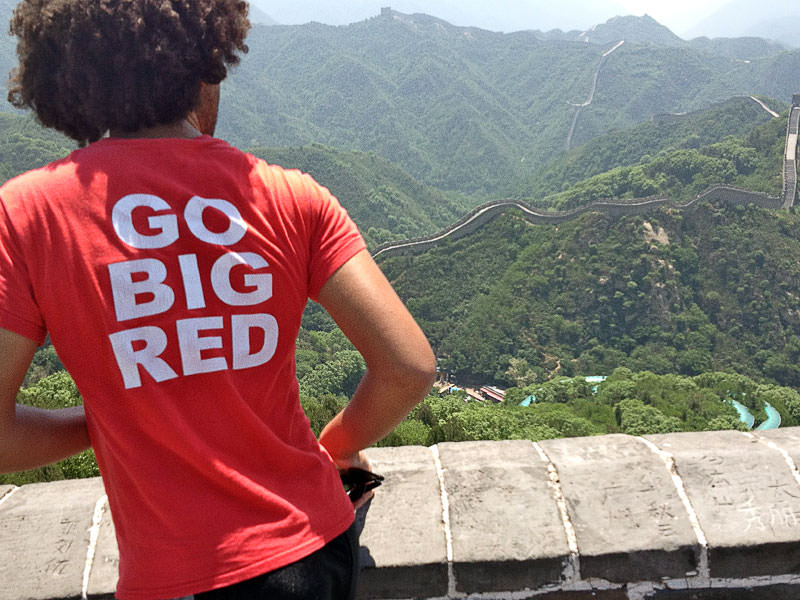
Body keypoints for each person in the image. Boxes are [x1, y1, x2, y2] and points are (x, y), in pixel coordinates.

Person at [0, 1, 436, 599]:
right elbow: (408, 365)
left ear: (70, 78)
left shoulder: (28, 216)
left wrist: (112, 418)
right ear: (207, 60)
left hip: (173, 576)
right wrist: (332, 445)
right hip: (314, 549)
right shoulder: (291, 196)